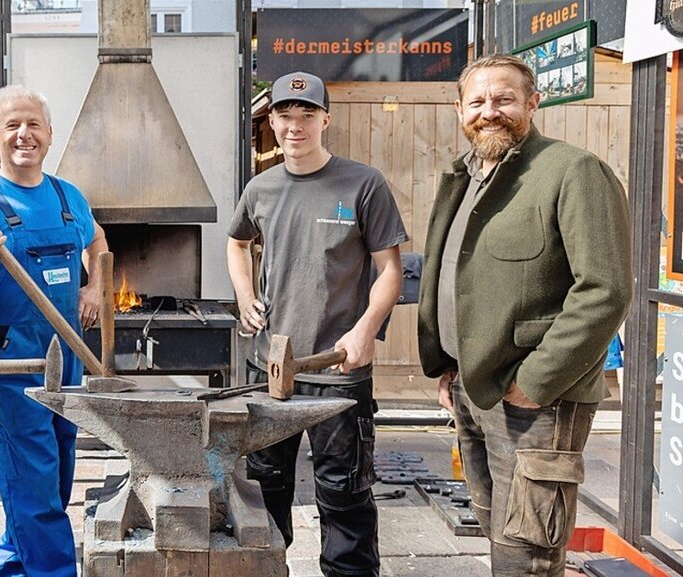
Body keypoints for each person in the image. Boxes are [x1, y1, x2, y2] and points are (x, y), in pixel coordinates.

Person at [417, 54, 631, 577]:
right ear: (459, 110)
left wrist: (537, 380)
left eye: (505, 98)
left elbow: (604, 290)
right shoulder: (465, 177)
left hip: (538, 400)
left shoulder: (572, 171)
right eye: (478, 101)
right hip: (474, 387)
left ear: (533, 103)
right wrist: (450, 363)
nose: (490, 111)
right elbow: (462, 281)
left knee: (527, 555)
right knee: (498, 532)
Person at [227, 71, 406, 577]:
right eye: (285, 116)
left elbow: (390, 270)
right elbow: (236, 242)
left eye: (307, 115)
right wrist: (245, 294)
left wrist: (366, 328)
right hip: (269, 373)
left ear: (326, 119)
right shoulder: (260, 188)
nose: (295, 126)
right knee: (264, 496)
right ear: (273, 122)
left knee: (344, 497)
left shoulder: (362, 183)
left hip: (338, 372)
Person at [0, 84, 108, 577]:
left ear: (50, 134)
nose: (23, 134)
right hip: (15, 363)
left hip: (68, 355)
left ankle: (12, 567)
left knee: (56, 475)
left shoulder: (66, 195)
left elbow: (96, 240)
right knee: (32, 483)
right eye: (12, 125)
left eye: (33, 124)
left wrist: (94, 286)